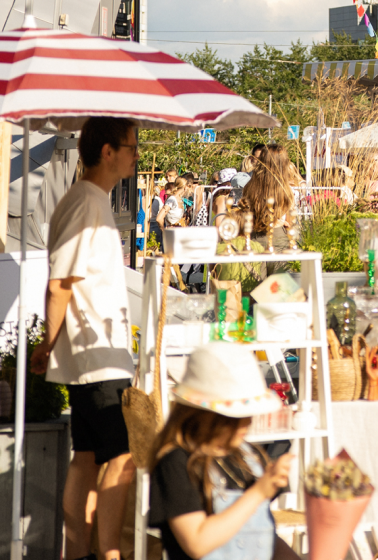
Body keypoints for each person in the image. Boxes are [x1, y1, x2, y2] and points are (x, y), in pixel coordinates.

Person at [29, 117, 140, 560]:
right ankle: (107, 551)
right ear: (107, 151)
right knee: (119, 455)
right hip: (98, 353)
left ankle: (80, 552)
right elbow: (60, 284)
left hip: (94, 352)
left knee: (89, 454)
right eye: (130, 146)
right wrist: (46, 343)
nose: (135, 154)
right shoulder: (87, 205)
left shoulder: (87, 201)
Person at [148, 344, 298, 560]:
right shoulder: (176, 463)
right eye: (235, 417)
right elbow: (197, 543)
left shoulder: (248, 456)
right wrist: (257, 493)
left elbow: (262, 536)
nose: (247, 422)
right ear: (203, 415)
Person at [242, 144, 293, 251]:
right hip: (278, 233)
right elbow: (291, 222)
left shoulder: (250, 186)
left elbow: (245, 213)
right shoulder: (285, 189)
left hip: (254, 235)